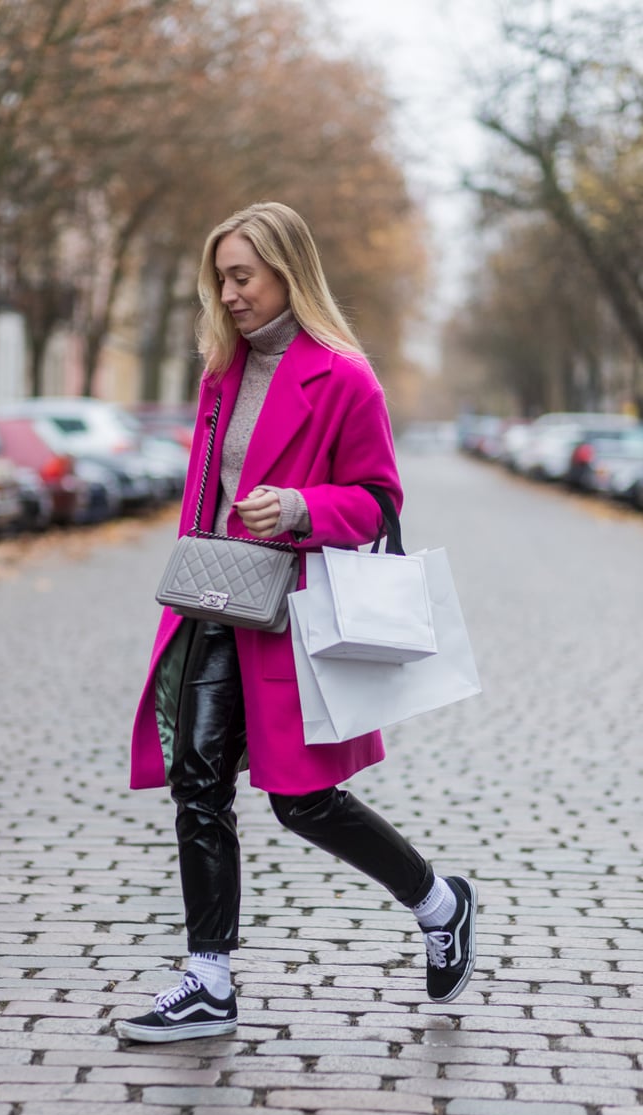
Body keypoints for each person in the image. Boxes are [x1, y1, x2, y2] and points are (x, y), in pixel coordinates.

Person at [118, 202, 476, 1044]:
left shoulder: (343, 376)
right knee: (197, 781)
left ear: (286, 271)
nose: (229, 293)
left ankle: (438, 901)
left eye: (241, 275)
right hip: (217, 601)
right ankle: (208, 978)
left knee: (303, 801)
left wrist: (303, 507)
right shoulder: (220, 372)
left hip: (290, 617)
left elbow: (381, 500)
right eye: (221, 278)